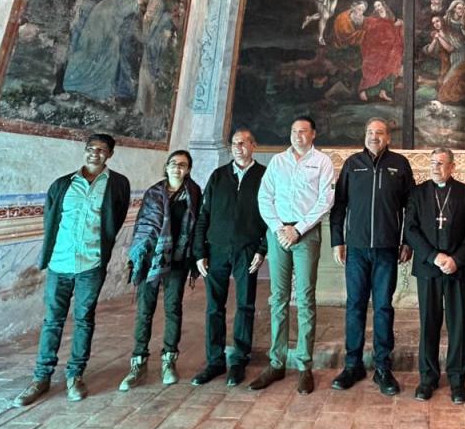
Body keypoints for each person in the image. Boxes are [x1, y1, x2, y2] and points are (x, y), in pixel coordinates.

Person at [12, 134, 131, 406]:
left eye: (101, 150)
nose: (94, 154)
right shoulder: (63, 184)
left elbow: (116, 217)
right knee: (52, 320)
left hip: (91, 263)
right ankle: (41, 378)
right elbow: (51, 219)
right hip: (60, 263)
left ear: (109, 154)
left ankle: (75, 375)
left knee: (84, 319)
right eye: (91, 149)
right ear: (85, 151)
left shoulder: (117, 184)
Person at [329, 118, 414, 396]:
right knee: (354, 306)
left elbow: (410, 207)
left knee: (383, 308)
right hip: (356, 250)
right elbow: (339, 205)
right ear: (364, 136)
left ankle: (382, 368)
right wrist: (337, 241)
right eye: (369, 132)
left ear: (388, 137)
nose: (373, 137)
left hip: (387, 251)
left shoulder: (400, 165)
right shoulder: (352, 164)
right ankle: (352, 365)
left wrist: (407, 242)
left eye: (379, 133)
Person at [251, 116, 335, 394]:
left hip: (306, 234)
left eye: (303, 131)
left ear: (313, 134)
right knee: (278, 298)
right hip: (278, 234)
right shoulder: (278, 162)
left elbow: (325, 200)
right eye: (293, 131)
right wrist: (279, 228)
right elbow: (265, 197)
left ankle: (304, 365)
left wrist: (297, 229)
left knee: (306, 298)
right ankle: (276, 363)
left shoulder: (322, 162)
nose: (298, 136)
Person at [119, 150, 202, 390]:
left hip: (177, 258)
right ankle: (138, 361)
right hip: (151, 258)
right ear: (166, 167)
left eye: (183, 165)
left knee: (173, 308)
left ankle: (169, 359)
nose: (177, 168)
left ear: (188, 169)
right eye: (173, 164)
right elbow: (143, 225)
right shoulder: (154, 193)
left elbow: (198, 226)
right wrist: (138, 255)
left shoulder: (194, 193)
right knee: (145, 309)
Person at [405, 148, 465, 404]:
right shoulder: (418, 192)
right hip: (428, 268)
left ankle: (457, 380)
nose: (435, 167)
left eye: (441, 163)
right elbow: (411, 229)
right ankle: (428, 378)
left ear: (452, 166)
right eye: (432, 162)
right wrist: (433, 256)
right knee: (429, 322)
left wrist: (456, 260)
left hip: (457, 269)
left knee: (458, 324)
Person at [192, 129, 268, 387]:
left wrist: (262, 248)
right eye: (234, 144)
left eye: (243, 143)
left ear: (253, 145)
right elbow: (203, 215)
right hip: (216, 249)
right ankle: (214, 361)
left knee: (245, 305)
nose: (238, 147)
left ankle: (239, 360)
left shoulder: (264, 175)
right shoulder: (218, 175)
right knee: (214, 306)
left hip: (247, 249)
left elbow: (272, 215)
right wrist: (199, 251)